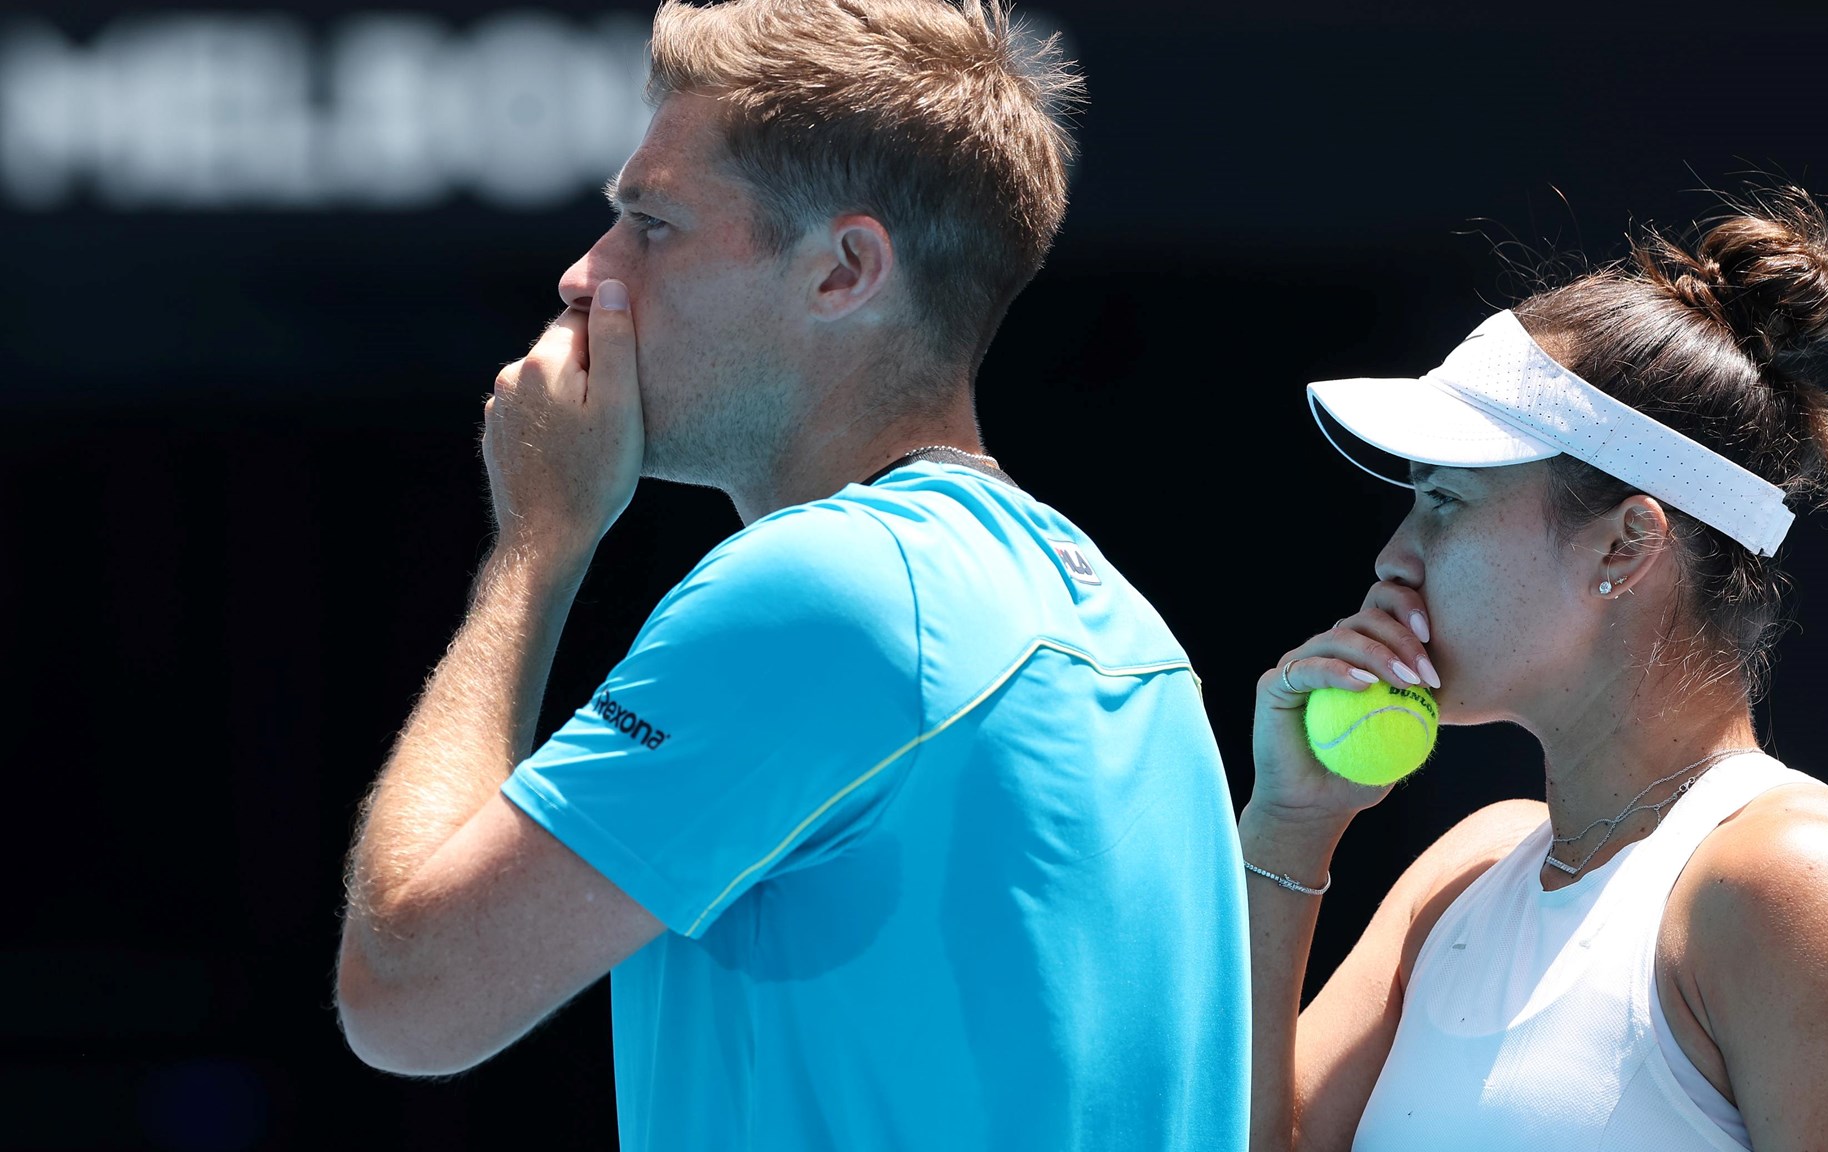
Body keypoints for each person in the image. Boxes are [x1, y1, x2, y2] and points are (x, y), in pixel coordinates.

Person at [333, 2, 1250, 1148]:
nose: (584, 275)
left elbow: (407, 996)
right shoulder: (1121, 623)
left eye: (648, 222)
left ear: (843, 271)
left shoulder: (825, 591)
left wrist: (536, 547)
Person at [1240, 187, 1828, 1151]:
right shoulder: (1462, 872)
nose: (1394, 554)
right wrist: (1290, 830)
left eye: (1447, 503)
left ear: (1625, 546)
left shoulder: (1799, 884)